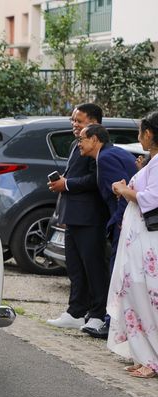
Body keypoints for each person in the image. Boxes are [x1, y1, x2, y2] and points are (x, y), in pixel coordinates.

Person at [47, 103, 109, 329]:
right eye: (73, 120)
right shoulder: (77, 144)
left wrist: (68, 184)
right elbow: (75, 174)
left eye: (79, 121)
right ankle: (75, 311)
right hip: (73, 214)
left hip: (90, 216)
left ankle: (97, 314)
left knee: (93, 267)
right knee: (75, 267)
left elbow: (95, 179)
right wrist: (62, 181)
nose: (75, 124)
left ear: (94, 123)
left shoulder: (100, 148)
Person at [107, 111, 158, 379]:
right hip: (138, 239)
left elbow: (153, 198)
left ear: (149, 133)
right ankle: (142, 355)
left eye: (140, 132)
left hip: (148, 241)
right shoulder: (152, 161)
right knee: (133, 292)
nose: (139, 137)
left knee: (146, 294)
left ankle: (153, 359)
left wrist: (122, 189)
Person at [76, 124, 137, 338]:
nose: (79, 144)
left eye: (82, 139)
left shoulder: (106, 158)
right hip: (127, 220)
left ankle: (111, 325)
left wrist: (119, 220)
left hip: (124, 221)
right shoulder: (115, 152)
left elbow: (121, 189)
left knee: (117, 274)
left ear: (94, 139)